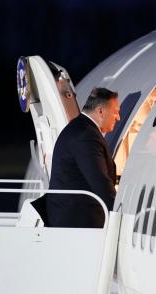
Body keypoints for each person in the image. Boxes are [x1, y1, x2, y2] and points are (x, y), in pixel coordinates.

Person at [45, 87, 120, 228]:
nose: (118, 118)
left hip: (70, 217)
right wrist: (120, 216)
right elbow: (100, 182)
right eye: (115, 112)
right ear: (101, 111)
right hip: (78, 222)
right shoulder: (86, 135)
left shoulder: (79, 128)